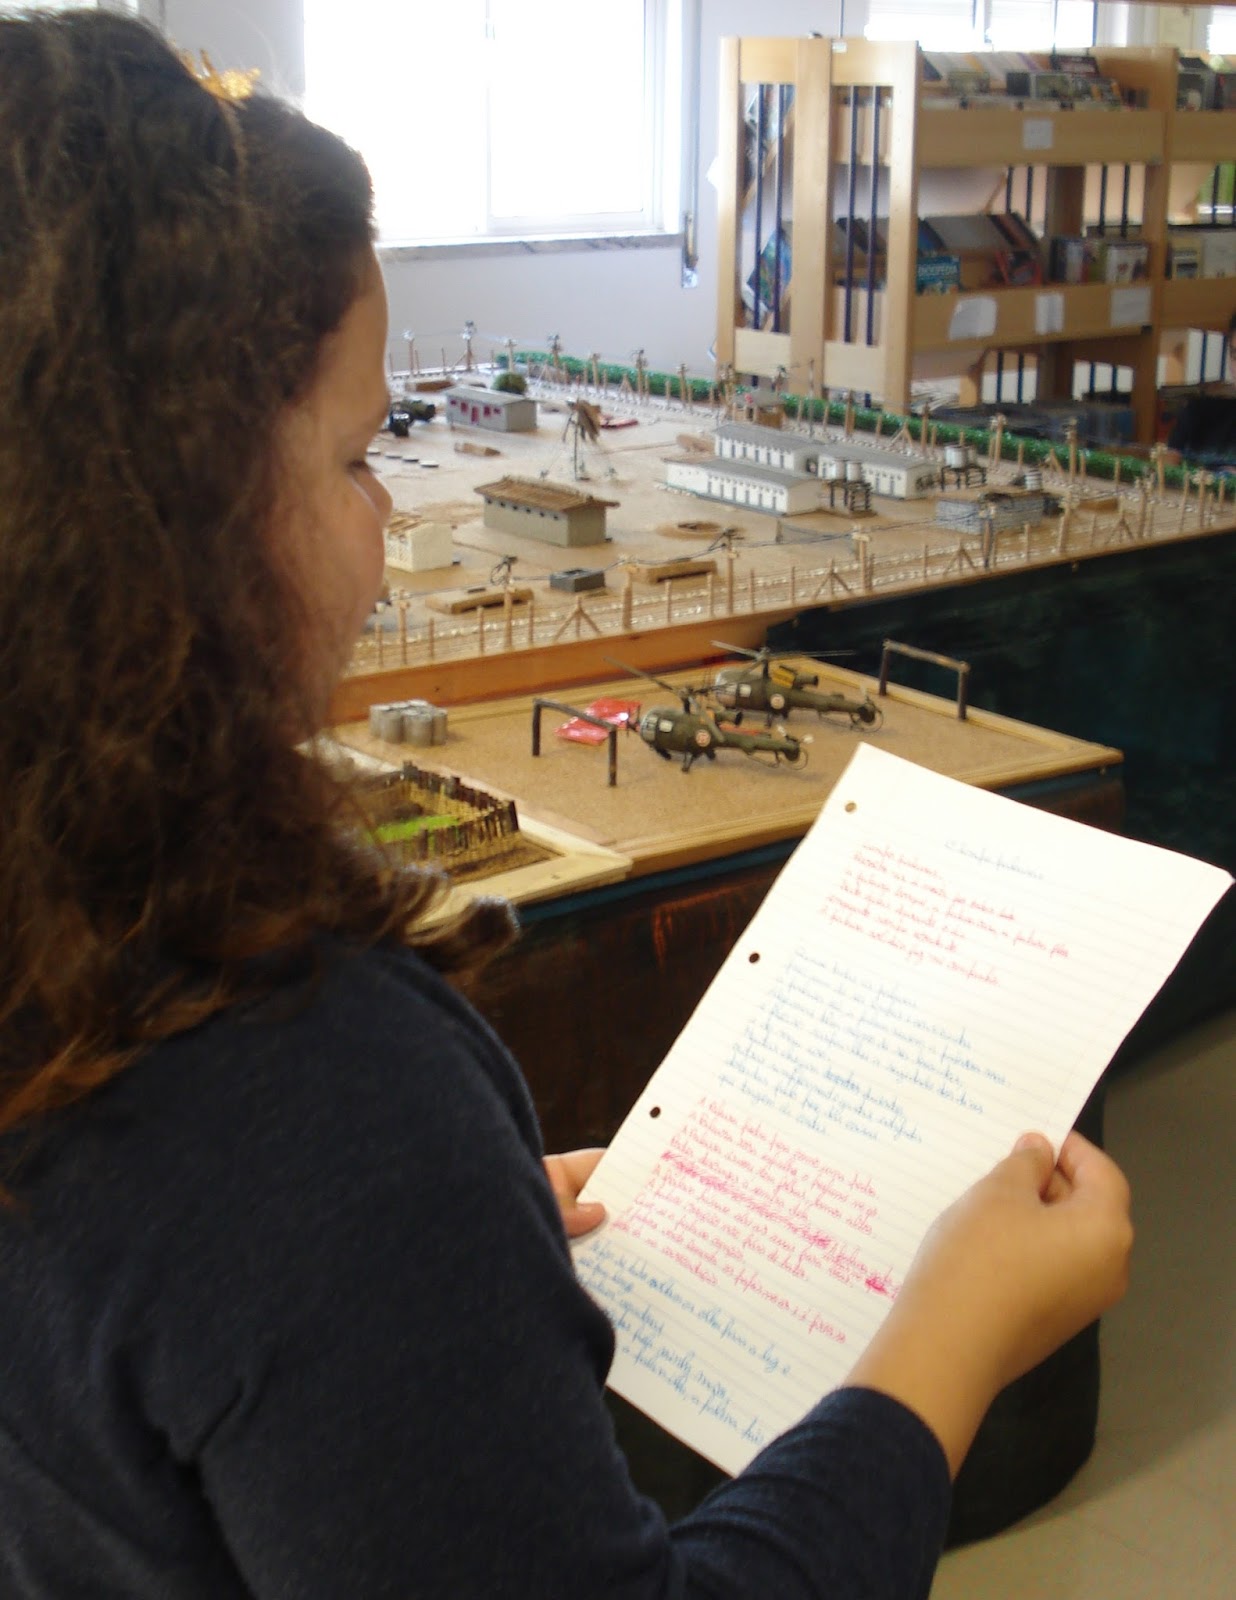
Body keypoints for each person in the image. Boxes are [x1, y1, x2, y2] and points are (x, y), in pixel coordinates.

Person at [0, 13, 1133, 1598]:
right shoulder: (308, 1098)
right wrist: (951, 1335)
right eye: (357, 456)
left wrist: (428, 1272)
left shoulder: (72, 970)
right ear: (171, 524)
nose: (385, 515)